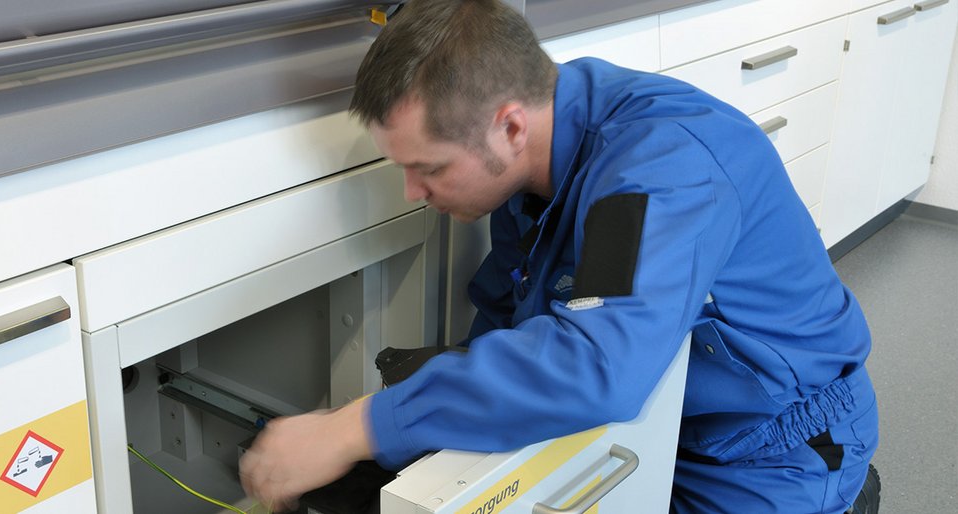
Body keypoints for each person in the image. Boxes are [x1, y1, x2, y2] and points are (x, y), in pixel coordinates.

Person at [239, 0, 880, 512]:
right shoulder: (539, 163)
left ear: (510, 127)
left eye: (428, 167)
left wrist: (360, 427)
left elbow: (598, 366)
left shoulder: (659, 170)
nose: (414, 192)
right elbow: (507, 316)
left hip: (770, 455)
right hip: (662, 423)